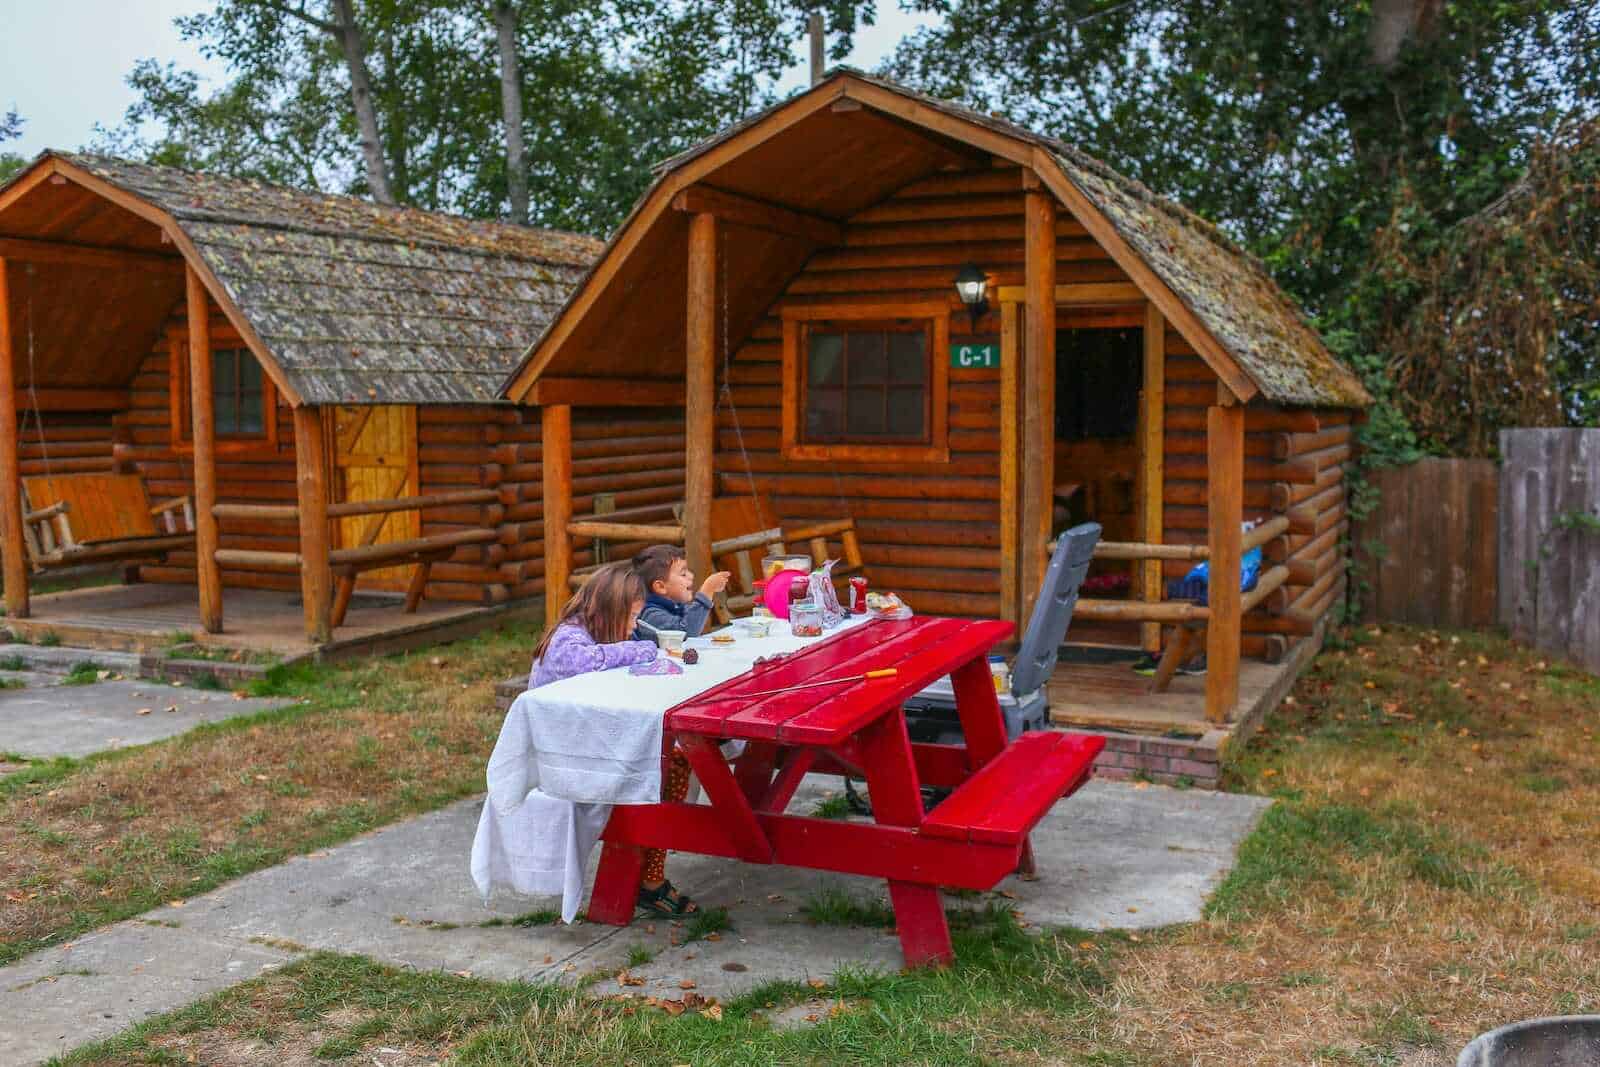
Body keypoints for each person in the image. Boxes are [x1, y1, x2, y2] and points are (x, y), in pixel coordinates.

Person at [526, 561, 699, 915]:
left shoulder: (592, 632)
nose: (635, 626)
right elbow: (589, 662)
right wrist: (645, 649)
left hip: (585, 742)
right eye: (633, 617)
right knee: (673, 761)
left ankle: (651, 869)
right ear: (610, 610)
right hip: (565, 757)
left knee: (672, 755)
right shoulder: (568, 638)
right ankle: (650, 881)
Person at [631, 544, 731, 640]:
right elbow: (686, 633)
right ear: (661, 587)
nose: (691, 576)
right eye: (683, 574)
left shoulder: (676, 606)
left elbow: (691, 622)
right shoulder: (651, 615)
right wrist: (706, 592)